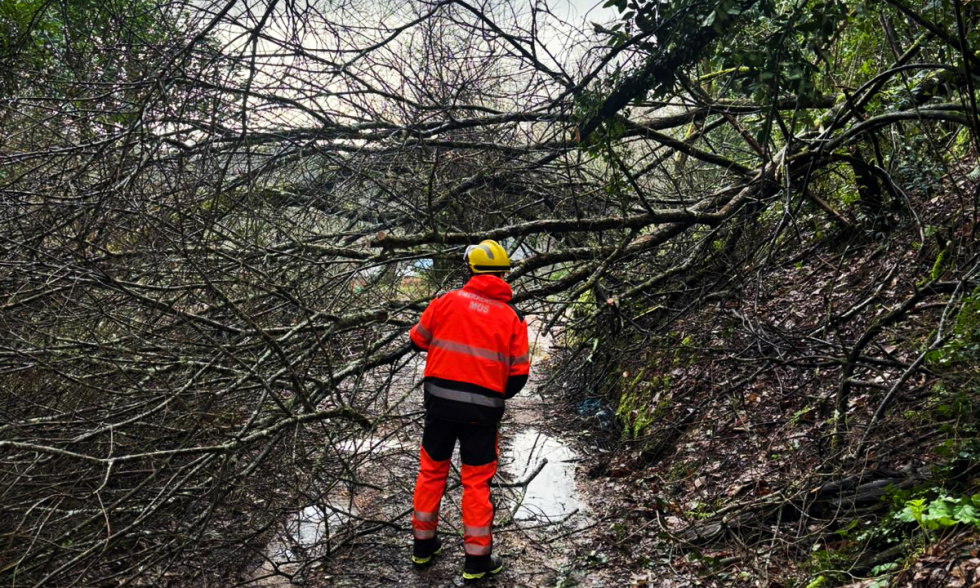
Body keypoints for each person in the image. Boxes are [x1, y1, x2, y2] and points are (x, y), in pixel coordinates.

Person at [408, 239, 530, 582]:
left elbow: (417, 340)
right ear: (504, 274)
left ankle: (423, 546)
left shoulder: (445, 301)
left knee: (431, 472)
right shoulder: (512, 317)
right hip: (483, 413)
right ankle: (476, 562)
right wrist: (491, 393)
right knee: (476, 483)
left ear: (470, 269)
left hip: (440, 406)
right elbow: (519, 375)